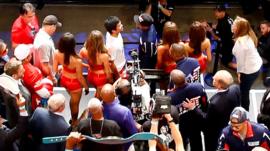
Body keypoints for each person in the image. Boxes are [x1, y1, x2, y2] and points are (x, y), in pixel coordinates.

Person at [184, 70, 241, 151]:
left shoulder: (214, 104)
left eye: (215, 79)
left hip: (213, 131)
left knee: (211, 146)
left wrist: (193, 108)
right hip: (226, 123)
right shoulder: (235, 88)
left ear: (220, 84)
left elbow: (206, 120)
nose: (212, 79)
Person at [54, 32, 89, 127]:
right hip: (75, 84)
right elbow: (80, 77)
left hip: (64, 80)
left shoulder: (57, 53)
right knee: (75, 105)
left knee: (72, 99)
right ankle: (74, 123)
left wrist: (62, 68)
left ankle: (73, 119)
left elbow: (55, 69)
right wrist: (86, 87)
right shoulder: (77, 60)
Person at [167, 69, 208, 151]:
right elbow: (205, 102)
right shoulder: (198, 87)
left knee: (181, 143)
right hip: (196, 120)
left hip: (182, 125)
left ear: (173, 82)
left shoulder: (170, 97)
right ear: (185, 78)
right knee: (196, 142)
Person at [232, 16, 262, 111]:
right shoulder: (249, 34)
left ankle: (244, 112)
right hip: (256, 66)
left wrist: (239, 74)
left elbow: (240, 63)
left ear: (239, 29)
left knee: (244, 92)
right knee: (244, 90)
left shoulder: (240, 44)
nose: (232, 26)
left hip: (249, 72)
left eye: (234, 25)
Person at [14, 44, 53, 111]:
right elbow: (44, 94)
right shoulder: (31, 72)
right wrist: (49, 91)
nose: (31, 55)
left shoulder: (15, 63)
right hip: (36, 99)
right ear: (26, 58)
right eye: (30, 54)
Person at [101, 84, 137, 151]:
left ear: (101, 96)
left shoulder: (94, 110)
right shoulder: (125, 112)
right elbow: (134, 134)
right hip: (123, 147)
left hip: (101, 147)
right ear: (115, 94)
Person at [79, 30, 113, 99]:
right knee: (100, 98)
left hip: (91, 75)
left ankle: (97, 92)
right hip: (100, 78)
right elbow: (107, 71)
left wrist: (87, 66)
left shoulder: (84, 50)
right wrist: (111, 80)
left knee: (98, 91)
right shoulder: (104, 56)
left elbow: (77, 61)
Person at [33, 15, 62, 85]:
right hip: (46, 78)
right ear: (52, 26)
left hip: (48, 74)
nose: (55, 29)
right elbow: (45, 66)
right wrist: (52, 78)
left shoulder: (41, 34)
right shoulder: (44, 42)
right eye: (55, 27)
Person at [0, 60, 29, 127]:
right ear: (14, 76)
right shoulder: (15, 93)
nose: (24, 70)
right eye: (21, 70)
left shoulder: (8, 76)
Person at [207, 5, 236, 69]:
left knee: (225, 62)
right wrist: (210, 25)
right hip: (231, 40)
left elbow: (218, 38)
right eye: (215, 11)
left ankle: (243, 69)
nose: (215, 13)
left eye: (217, 12)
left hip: (228, 45)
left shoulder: (224, 24)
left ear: (223, 12)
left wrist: (210, 30)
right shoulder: (227, 18)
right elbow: (218, 27)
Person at [156, 21, 179, 91]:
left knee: (164, 90)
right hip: (178, 72)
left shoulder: (161, 48)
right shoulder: (181, 45)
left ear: (164, 34)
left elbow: (159, 64)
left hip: (165, 73)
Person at [257, 21, 270, 86]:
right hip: (267, 57)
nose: (261, 30)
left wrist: (259, 43)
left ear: (269, 28)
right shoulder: (264, 35)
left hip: (268, 58)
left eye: (263, 28)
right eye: (261, 28)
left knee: (267, 82)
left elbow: (267, 47)